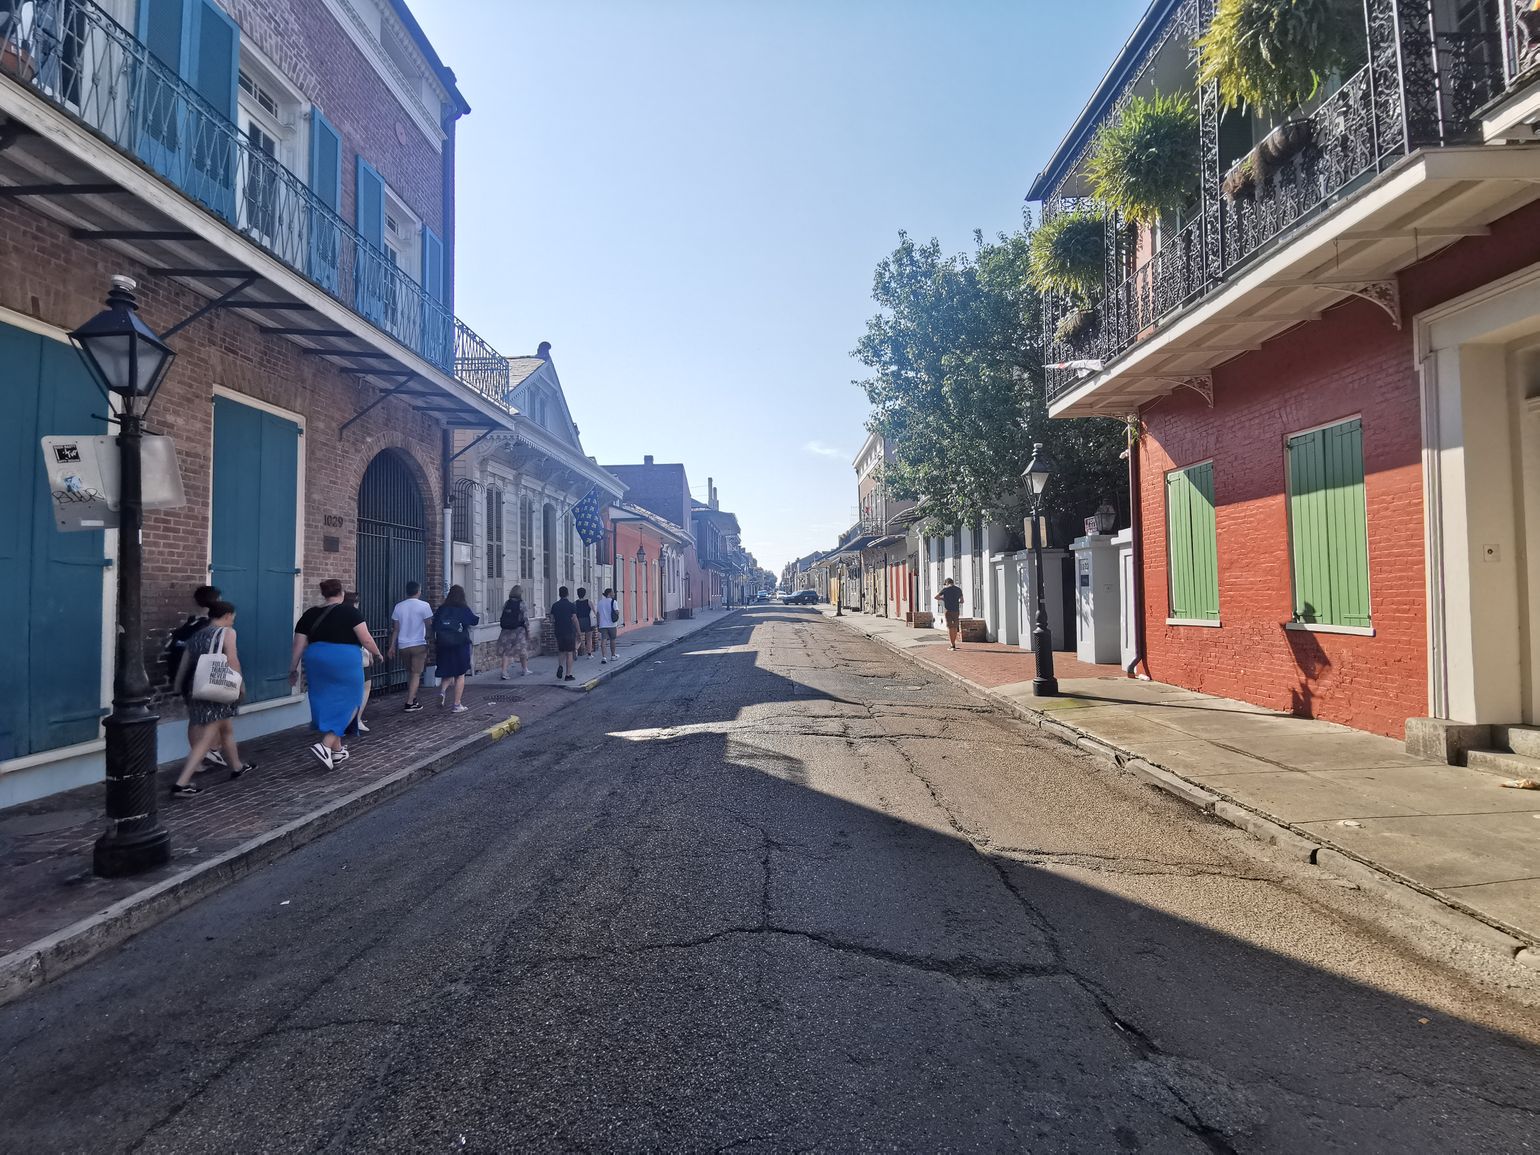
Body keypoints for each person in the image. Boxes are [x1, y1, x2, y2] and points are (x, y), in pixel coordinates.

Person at [291, 578, 382, 770]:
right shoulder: (350, 612)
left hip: (315, 659)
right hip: (344, 658)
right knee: (352, 701)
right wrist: (377, 653)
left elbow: (298, 645)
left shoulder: (309, 614)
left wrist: (293, 669)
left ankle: (337, 751)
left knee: (326, 699)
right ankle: (325, 745)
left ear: (323, 594)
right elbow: (365, 639)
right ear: (341, 593)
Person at [170, 600, 255, 797]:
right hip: (218, 687)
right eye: (233, 617)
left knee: (226, 729)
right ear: (227, 615)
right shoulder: (227, 633)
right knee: (207, 736)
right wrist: (240, 684)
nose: (233, 620)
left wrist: (178, 686)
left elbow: (185, 663)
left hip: (198, 686)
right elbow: (232, 659)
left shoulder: (197, 635)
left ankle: (237, 766)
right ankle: (181, 783)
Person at [163, 584, 229, 769]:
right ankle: (210, 753)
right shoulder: (212, 628)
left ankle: (202, 758)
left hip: (187, 680)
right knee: (213, 719)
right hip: (206, 677)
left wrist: (178, 684)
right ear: (218, 601)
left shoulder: (189, 624)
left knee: (196, 720)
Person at [388, 580, 434, 711]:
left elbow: (396, 629)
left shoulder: (398, 606)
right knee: (416, 673)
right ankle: (409, 702)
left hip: (403, 645)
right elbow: (429, 625)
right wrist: (430, 639)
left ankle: (413, 698)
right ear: (418, 591)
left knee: (410, 673)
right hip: (418, 644)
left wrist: (392, 646)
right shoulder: (424, 606)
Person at [432, 585, 479, 712]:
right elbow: (474, 621)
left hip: (443, 645)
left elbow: (434, 625)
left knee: (447, 672)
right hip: (460, 645)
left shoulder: (442, 609)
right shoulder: (463, 609)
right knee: (460, 674)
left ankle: (442, 692)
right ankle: (457, 705)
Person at [343, 591, 372, 735]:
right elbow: (365, 638)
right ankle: (356, 719)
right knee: (365, 686)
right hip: (356, 656)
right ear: (355, 603)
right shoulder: (355, 615)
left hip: (340, 657)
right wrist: (373, 653)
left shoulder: (336, 615)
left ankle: (346, 720)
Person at [496, 584, 530, 679]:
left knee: (506, 651)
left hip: (506, 630)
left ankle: (504, 671)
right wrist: (528, 631)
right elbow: (525, 618)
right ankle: (525, 669)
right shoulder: (522, 604)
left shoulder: (507, 603)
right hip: (518, 630)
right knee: (523, 650)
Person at [550, 586, 579, 681]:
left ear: (559, 594)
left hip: (559, 631)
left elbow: (552, 619)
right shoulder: (571, 605)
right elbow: (574, 619)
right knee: (569, 653)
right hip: (569, 631)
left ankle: (560, 666)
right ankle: (568, 674)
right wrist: (579, 631)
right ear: (567, 594)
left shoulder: (555, 605)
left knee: (561, 651)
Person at [934, 576, 965, 651]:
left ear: (946, 583)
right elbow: (962, 601)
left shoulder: (945, 589)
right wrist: (956, 601)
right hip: (956, 610)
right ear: (953, 582)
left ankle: (952, 645)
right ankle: (954, 643)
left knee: (949, 627)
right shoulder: (958, 589)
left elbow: (936, 597)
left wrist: (944, 599)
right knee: (955, 627)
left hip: (948, 610)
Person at [596, 587, 621, 663]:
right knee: (612, 640)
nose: (614, 594)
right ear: (609, 593)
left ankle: (604, 657)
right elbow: (617, 612)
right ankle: (613, 656)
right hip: (612, 624)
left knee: (603, 640)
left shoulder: (600, 602)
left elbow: (598, 614)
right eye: (613, 592)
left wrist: (598, 624)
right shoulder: (614, 602)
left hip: (602, 624)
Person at [573, 587, 597, 658]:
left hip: (578, 621)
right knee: (589, 638)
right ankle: (589, 654)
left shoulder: (575, 603)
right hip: (587, 620)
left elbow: (574, 614)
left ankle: (575, 649)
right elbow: (594, 611)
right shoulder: (588, 601)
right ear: (585, 594)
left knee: (578, 638)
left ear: (577, 594)